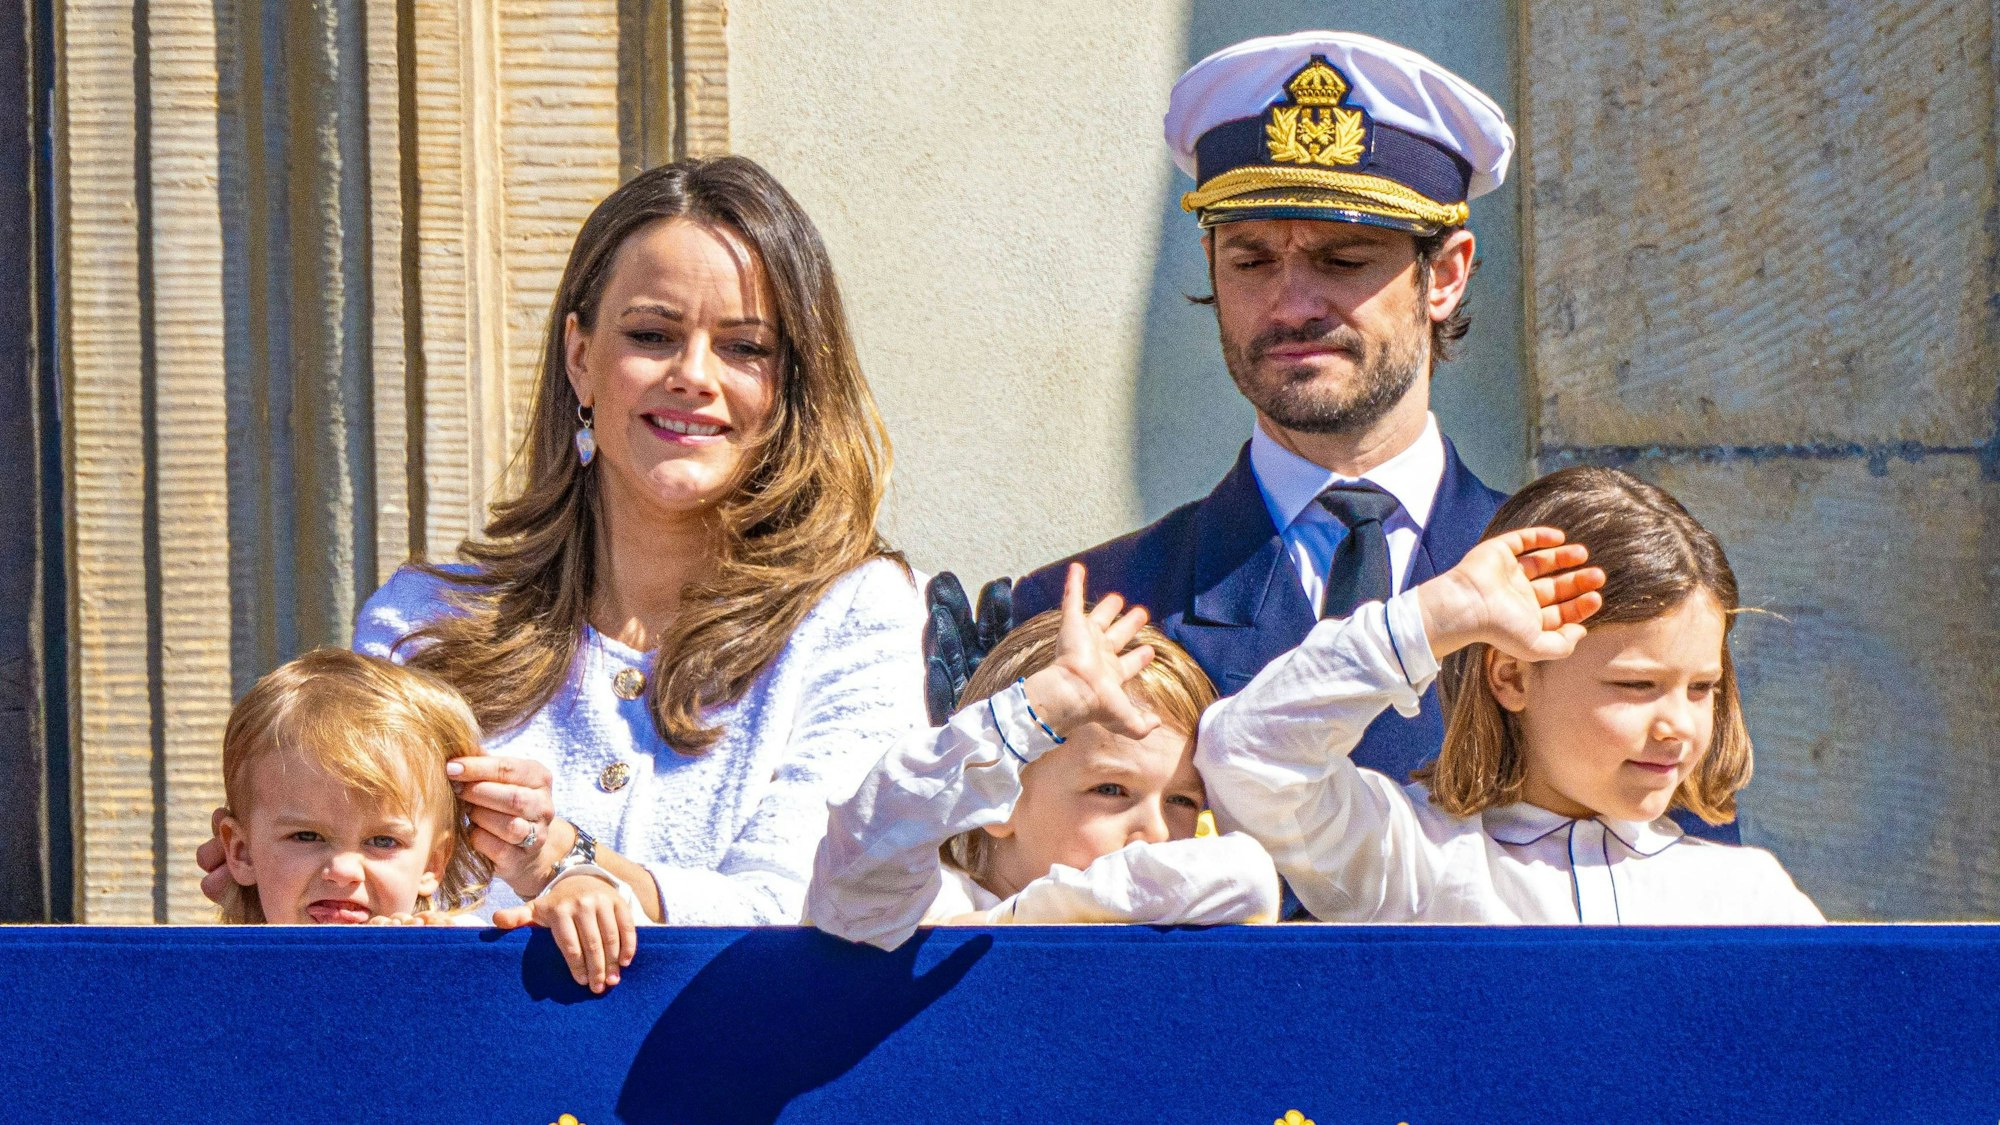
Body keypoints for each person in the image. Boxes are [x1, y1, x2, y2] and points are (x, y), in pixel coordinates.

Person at [1009, 30, 1734, 844]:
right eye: (1250, 261)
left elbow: (1687, 925)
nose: (1290, 305)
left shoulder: (1592, 594)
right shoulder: (1092, 610)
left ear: (1448, 272)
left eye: (1343, 258)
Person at [198, 156, 929, 936]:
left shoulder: (858, 612)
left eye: (744, 348)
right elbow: (373, 915)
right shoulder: (425, 618)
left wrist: (562, 857)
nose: (693, 375)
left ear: (789, 383)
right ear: (580, 357)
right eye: (653, 335)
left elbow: (812, 905)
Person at [1196, 468, 1822, 923]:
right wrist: (1432, 619)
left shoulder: (1747, 896)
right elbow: (1248, 758)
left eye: (1702, 688)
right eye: (1637, 685)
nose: (1678, 725)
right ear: (1514, 677)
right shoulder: (1413, 859)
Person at [809, 564, 1280, 951]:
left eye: (1181, 801)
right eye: (1112, 790)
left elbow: (1247, 874)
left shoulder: (1165, 914)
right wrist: (1032, 714)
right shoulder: (924, 906)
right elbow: (865, 853)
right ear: (1004, 798)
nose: (1158, 832)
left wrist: (1013, 921)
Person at [214, 649, 494, 926]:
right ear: (242, 852)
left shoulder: (444, 954)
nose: (342, 871)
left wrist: (463, 959)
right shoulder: (212, 968)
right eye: (307, 836)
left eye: (383, 841)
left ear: (433, 864)